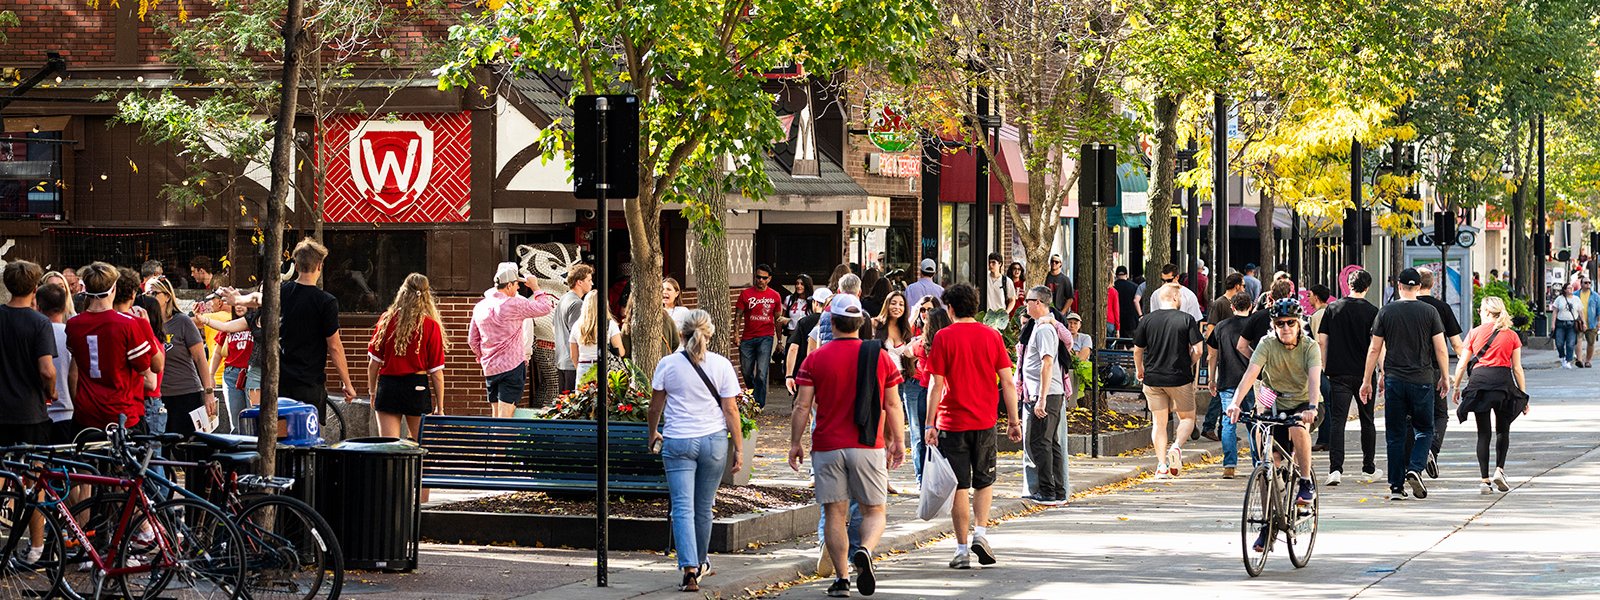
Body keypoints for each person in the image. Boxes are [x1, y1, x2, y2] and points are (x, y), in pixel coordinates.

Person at [789, 294, 905, 597]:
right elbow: (892, 404)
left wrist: (794, 443)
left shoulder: (816, 358)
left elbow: (802, 406)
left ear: (832, 322)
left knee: (834, 513)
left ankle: (841, 579)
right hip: (867, 445)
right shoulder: (880, 356)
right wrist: (899, 442)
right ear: (861, 323)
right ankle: (864, 550)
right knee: (875, 511)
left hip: (827, 445)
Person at [924, 283, 1021, 569]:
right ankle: (981, 533)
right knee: (984, 480)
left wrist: (930, 424)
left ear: (950, 308)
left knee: (959, 486)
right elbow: (1007, 381)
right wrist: (1014, 421)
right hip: (985, 420)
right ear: (975, 307)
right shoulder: (991, 336)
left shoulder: (943, 337)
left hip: (952, 422)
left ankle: (962, 549)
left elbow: (936, 384)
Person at [649, 309, 744, 592]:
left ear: (681, 334)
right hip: (713, 441)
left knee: (681, 506)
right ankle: (701, 561)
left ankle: (689, 567)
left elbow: (655, 407)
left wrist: (652, 432)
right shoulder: (722, 365)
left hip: (678, 441)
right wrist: (738, 447)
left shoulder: (667, 365)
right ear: (710, 333)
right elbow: (730, 409)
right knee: (704, 506)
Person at [218, 239, 357, 416]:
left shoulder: (281, 292)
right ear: (320, 266)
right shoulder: (326, 302)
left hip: (279, 381)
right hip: (309, 382)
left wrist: (237, 299)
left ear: (296, 266)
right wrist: (347, 383)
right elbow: (335, 347)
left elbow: (256, 298)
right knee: (306, 436)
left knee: (281, 436)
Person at [1225, 298, 1321, 553]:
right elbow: (1250, 374)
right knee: (1266, 458)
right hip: (1272, 401)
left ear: (1299, 323)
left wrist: (1312, 407)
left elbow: (1314, 379)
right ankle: (1268, 524)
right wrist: (1235, 403)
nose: (1286, 327)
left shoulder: (1309, 347)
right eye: (1280, 324)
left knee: (1298, 428)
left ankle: (1304, 481)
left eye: (1291, 322)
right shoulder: (1267, 344)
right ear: (1274, 325)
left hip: (1302, 403)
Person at [1360, 267, 1448, 501]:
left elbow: (1375, 348)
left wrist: (1367, 379)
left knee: (1395, 434)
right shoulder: (1429, 312)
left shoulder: (1386, 312)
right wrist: (1445, 376)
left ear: (1399, 286)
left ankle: (1396, 486)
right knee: (1425, 429)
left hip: (1394, 380)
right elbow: (1440, 347)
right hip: (1422, 379)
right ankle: (1415, 467)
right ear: (1419, 287)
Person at [67, 262, 161, 433]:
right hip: (122, 414)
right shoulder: (128, 324)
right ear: (113, 288)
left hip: (86, 414)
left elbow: (74, 370)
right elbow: (153, 368)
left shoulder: (73, 324)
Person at [1449, 297, 1529, 496]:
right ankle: (1499, 470)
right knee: (1503, 430)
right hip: (1503, 384)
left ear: (1485, 312)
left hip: (1479, 383)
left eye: (1480, 310)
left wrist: (1457, 386)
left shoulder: (1475, 333)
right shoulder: (1511, 335)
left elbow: (1461, 364)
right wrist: (1523, 393)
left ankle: (1484, 481)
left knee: (1483, 433)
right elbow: (1517, 368)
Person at [466, 263, 556, 416]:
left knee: (496, 414)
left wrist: (482, 356)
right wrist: (535, 287)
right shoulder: (514, 303)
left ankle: (495, 439)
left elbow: (472, 340)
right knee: (505, 415)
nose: (518, 288)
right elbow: (546, 307)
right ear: (508, 286)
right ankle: (502, 439)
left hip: (490, 367)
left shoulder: (480, 306)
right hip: (512, 366)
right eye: (516, 284)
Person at [1317, 270, 1380, 486]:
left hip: (1338, 372)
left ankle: (1335, 469)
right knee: (1367, 420)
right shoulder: (1373, 311)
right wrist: (1381, 372)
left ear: (1348, 285)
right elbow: (1377, 346)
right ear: (1367, 287)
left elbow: (1322, 340)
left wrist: (1324, 365)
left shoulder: (1332, 309)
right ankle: (1368, 468)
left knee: (1337, 421)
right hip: (1364, 373)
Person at [1133, 285, 1203, 477]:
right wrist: (1189, 362)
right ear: (1173, 297)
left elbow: (1138, 350)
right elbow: (1198, 350)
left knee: (1159, 423)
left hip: (1153, 378)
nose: (1181, 299)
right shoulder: (1186, 319)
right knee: (1188, 418)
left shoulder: (1146, 320)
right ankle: (1177, 447)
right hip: (1179, 377)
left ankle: (1162, 465)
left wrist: (1141, 370)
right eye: (1179, 295)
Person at [368, 274, 448, 439]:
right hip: (416, 387)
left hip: (388, 386)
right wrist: (440, 407)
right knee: (418, 446)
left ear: (402, 292)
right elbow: (436, 373)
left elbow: (373, 364)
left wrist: (372, 392)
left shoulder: (386, 320)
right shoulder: (430, 326)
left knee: (389, 448)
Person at [0, 260, 58, 446]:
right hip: (30, 410)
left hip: (2, 410)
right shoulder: (40, 323)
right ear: (35, 288)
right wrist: (51, 391)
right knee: (35, 467)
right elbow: (47, 371)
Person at [1018, 287, 1066, 504]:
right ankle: (1057, 490)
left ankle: (1048, 491)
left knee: (1041, 443)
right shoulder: (1039, 326)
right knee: (1047, 442)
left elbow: (1047, 363)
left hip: (1045, 393)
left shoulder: (1045, 329)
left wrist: (1042, 398)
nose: (1025, 304)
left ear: (1038, 302)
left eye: (1028, 300)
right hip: (1041, 392)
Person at [148, 278, 214, 436]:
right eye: (146, 293)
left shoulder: (182, 321)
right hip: (158, 398)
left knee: (185, 448)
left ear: (167, 296)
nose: (149, 297)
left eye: (154, 293)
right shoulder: (147, 324)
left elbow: (200, 358)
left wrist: (209, 392)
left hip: (185, 394)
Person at [1415, 267, 1463, 475]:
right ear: (1432, 284)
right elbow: (1455, 344)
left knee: (1412, 416)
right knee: (1440, 414)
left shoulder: (1399, 307)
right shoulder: (1442, 308)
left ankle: (1415, 458)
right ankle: (1432, 449)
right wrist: (1465, 364)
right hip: (1434, 369)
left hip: (1406, 370)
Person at [900, 295, 949, 485]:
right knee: (924, 434)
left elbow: (905, 352)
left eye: (928, 310)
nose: (925, 314)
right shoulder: (943, 341)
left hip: (924, 387)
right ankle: (929, 478)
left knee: (920, 433)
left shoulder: (922, 342)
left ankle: (924, 479)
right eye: (922, 310)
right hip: (924, 387)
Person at [1206, 293, 1255, 478]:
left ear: (1232, 307)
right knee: (1253, 422)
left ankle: (1229, 465)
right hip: (1250, 380)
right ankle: (1258, 462)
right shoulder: (1254, 325)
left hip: (1227, 380)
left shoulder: (1221, 327)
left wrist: (1212, 379)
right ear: (1250, 306)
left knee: (1228, 422)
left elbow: (1212, 355)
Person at [35, 283, 77, 443]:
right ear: (65, 306)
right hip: (68, 412)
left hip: (40, 414)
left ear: (38, 307)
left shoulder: (35, 335)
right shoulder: (71, 335)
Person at [736, 264, 783, 409]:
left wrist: (779, 340)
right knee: (746, 371)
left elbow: (778, 319)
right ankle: (753, 394)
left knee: (762, 372)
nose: (760, 280)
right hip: (748, 337)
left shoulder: (775, 296)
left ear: (769, 279)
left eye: (764, 278)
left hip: (766, 337)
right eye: (758, 277)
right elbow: (738, 315)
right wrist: (736, 334)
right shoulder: (746, 294)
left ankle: (759, 404)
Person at [208, 301, 256, 434]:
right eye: (236, 304)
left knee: (254, 418)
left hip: (253, 374)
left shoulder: (256, 324)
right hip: (231, 374)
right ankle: (238, 452)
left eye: (242, 303)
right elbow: (217, 353)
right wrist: (210, 375)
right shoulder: (229, 326)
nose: (239, 306)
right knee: (236, 420)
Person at [554, 265, 594, 393]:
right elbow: (578, 337)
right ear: (579, 282)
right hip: (572, 362)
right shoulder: (577, 304)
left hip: (561, 359)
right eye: (589, 280)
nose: (592, 283)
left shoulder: (563, 299)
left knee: (563, 406)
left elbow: (554, 326)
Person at [784, 288, 831, 396]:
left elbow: (793, 348)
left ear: (815, 303)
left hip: (804, 372)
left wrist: (789, 375)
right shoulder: (835, 321)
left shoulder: (804, 322)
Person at [571, 290, 625, 381]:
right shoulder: (610, 324)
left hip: (583, 367)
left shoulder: (577, 325)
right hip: (605, 368)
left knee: (583, 394)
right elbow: (621, 352)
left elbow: (573, 356)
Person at [1551, 281, 1581, 369]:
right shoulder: (1559, 299)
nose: (1571, 289)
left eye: (1571, 288)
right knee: (1559, 343)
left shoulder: (1576, 299)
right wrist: (1553, 324)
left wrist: (1583, 322)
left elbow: (1580, 311)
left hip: (1572, 324)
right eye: (1568, 288)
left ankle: (1568, 360)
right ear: (1564, 290)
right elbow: (1555, 312)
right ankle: (1562, 356)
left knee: (1570, 343)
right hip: (1560, 323)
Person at [905, 258, 944, 323]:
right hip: (936, 326)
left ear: (920, 271)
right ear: (934, 273)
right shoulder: (941, 290)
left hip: (915, 326)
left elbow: (906, 310)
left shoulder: (910, 288)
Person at [783, 274, 816, 340]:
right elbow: (782, 318)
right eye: (797, 283)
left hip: (807, 336)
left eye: (802, 284)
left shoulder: (813, 301)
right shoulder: (789, 299)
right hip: (792, 335)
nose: (798, 286)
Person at [1577, 276, 1599, 368]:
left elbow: (1599, 310)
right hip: (1578, 322)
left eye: (1589, 283)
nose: (1588, 284)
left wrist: (1599, 322)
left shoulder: (1595, 296)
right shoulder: (1575, 295)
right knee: (1578, 340)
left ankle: (1588, 361)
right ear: (1581, 284)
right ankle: (1579, 360)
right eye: (1585, 283)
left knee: (1591, 343)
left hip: (1591, 323)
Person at [1113, 265, 1140, 337]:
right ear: (1126, 275)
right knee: (1130, 343)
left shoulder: (1113, 288)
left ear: (1116, 275)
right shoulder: (1134, 287)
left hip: (1117, 319)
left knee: (1118, 343)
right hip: (1131, 320)